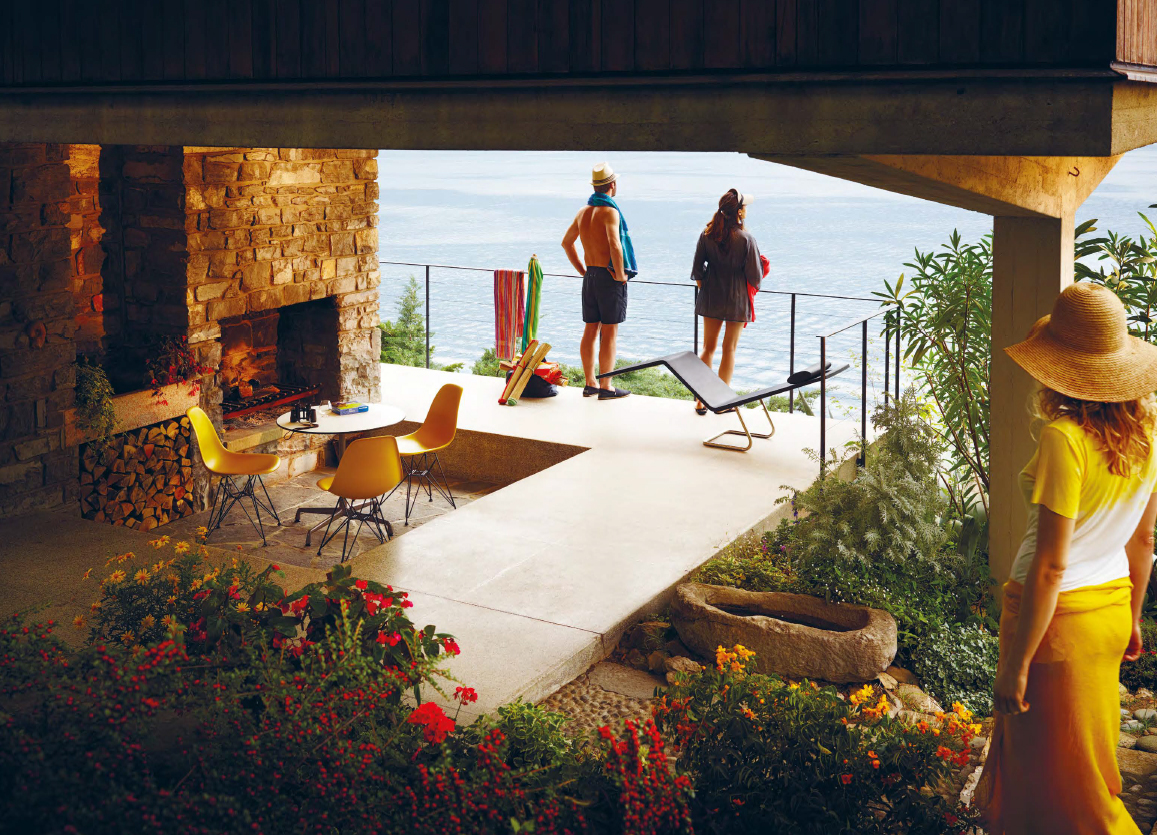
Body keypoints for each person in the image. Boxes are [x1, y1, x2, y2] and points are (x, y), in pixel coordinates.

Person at [975, 282, 1157, 835]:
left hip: (1054, 627)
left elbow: (1051, 567)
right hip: (1109, 611)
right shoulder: (1148, 433)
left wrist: (1016, 666)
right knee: (1080, 770)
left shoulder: (1064, 438)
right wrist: (1132, 618)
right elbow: (1144, 540)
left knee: (1066, 797)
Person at [561, 162, 638, 400]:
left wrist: (583, 271)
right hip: (608, 276)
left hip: (591, 276)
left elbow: (566, 243)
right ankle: (606, 386)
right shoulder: (610, 212)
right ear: (612, 185)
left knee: (590, 329)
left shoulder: (583, 212)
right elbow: (615, 244)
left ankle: (590, 383)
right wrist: (621, 274)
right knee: (610, 332)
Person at [690, 189, 762, 415]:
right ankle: (721, 402)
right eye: (745, 206)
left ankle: (701, 400)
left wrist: (707, 290)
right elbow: (755, 277)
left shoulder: (707, 235)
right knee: (728, 349)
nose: (746, 209)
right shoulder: (747, 239)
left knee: (708, 348)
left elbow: (697, 271)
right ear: (739, 212)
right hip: (737, 300)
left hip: (711, 297)